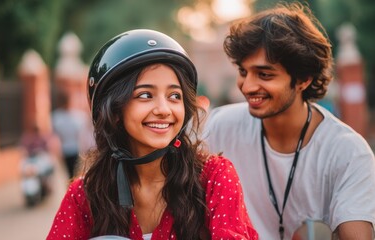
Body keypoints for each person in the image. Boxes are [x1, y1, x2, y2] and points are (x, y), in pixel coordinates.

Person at [47, 29, 258, 240]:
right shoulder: (84, 195)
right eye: (145, 95)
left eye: (174, 96)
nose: (164, 109)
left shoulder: (214, 177)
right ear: (114, 110)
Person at [203, 2, 375, 240]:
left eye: (264, 74)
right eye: (243, 72)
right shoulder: (220, 126)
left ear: (303, 79)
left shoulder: (348, 152)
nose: (248, 85)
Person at [52, 92, 91, 179]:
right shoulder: (77, 116)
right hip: (72, 149)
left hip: (71, 149)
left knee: (72, 174)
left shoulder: (57, 117)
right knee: (73, 174)